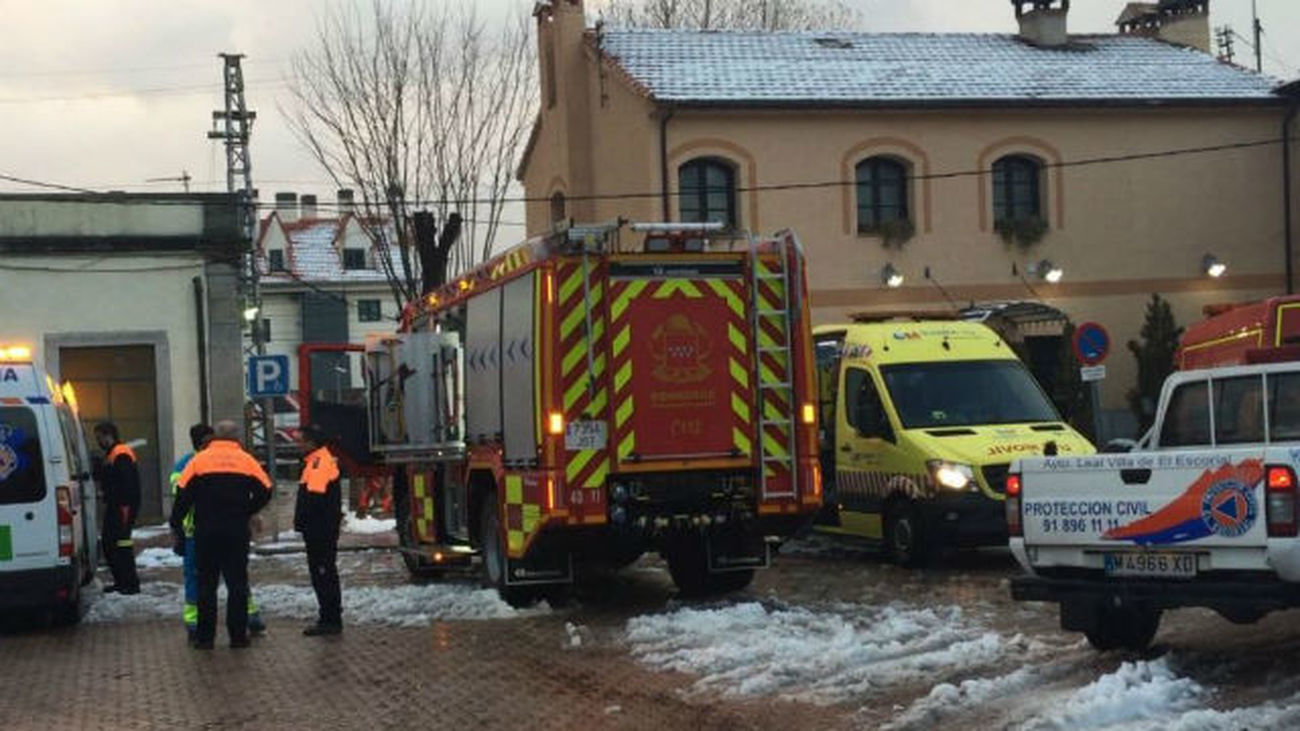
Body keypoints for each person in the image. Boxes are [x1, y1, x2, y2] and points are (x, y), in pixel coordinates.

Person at [171, 420, 273, 649]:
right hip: (236, 531)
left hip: (206, 531)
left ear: (214, 437)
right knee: (237, 583)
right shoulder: (246, 460)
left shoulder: (199, 460)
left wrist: (176, 524)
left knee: (206, 584)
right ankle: (238, 636)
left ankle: (205, 638)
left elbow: (182, 495)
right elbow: (266, 489)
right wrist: (247, 509)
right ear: (237, 438)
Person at [295, 425, 343, 636]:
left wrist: (303, 522)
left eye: (301, 441)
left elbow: (313, 499)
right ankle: (329, 616)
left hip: (319, 529)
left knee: (323, 573)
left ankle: (330, 619)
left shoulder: (318, 463)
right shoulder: (317, 461)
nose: (298, 445)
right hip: (321, 527)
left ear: (312, 443)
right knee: (324, 572)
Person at [93, 422, 141, 595]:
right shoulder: (112, 453)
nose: (98, 441)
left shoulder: (120, 453)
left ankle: (130, 583)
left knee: (121, 542)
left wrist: (111, 494)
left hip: (123, 506)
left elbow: (124, 482)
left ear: (108, 435)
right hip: (117, 505)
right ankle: (122, 581)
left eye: (99, 438)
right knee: (111, 543)